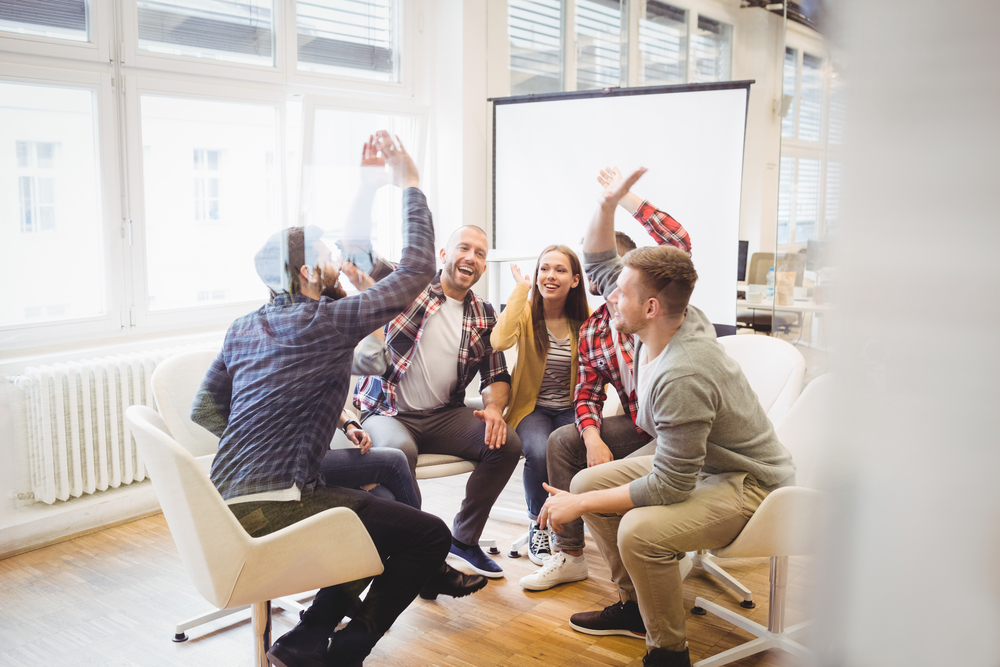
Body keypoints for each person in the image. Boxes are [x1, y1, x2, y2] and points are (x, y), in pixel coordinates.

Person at [191, 132, 486, 667]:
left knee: (382, 488)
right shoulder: (325, 322)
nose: (333, 263)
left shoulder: (244, 326)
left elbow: (206, 410)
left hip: (224, 499)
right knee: (428, 535)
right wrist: (410, 184)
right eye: (324, 258)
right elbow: (418, 271)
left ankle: (305, 640)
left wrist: (272, 442)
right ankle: (345, 650)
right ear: (306, 272)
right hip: (277, 506)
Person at [537, 167, 796, 667]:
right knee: (588, 480)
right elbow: (596, 261)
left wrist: (576, 504)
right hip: (698, 463)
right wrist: (611, 202)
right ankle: (637, 607)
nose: (609, 295)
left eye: (621, 293)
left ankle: (667, 651)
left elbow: (669, 488)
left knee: (638, 530)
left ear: (650, 306)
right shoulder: (663, 317)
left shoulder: (684, 371)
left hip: (747, 483)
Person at [520, 166, 693, 590]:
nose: (609, 288)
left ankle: (658, 555)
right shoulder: (596, 329)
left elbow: (678, 244)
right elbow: (587, 394)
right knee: (565, 442)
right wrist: (594, 437)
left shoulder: (665, 306)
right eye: (603, 280)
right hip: (641, 427)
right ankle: (571, 554)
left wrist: (625, 199)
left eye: (618, 279)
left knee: (596, 480)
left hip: (683, 429)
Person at [356, 224, 523, 579]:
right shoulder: (407, 287)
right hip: (388, 411)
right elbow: (363, 254)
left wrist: (494, 407)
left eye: (480, 253)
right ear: (444, 255)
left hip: (444, 415)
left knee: (505, 443)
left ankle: (463, 540)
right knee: (398, 453)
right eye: (464, 248)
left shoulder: (484, 314)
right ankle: (418, 554)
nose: (472, 257)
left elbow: (496, 376)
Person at [490, 246, 589, 564]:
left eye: (560, 270)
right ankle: (538, 524)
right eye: (544, 269)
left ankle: (567, 527)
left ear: (574, 280)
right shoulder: (527, 313)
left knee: (569, 452)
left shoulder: (583, 322)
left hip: (568, 409)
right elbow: (499, 341)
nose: (550, 275)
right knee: (538, 450)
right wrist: (521, 289)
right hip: (531, 409)